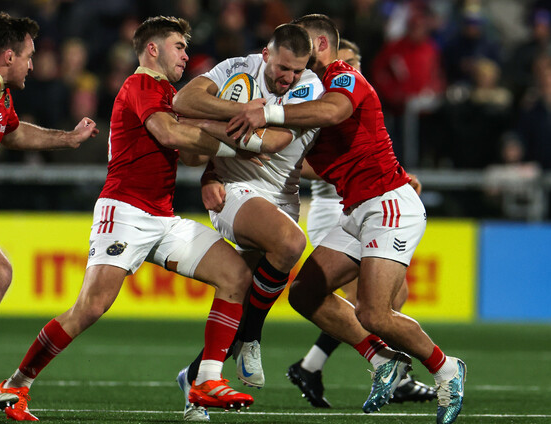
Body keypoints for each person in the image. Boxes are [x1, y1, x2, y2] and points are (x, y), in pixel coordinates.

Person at [0, 16, 256, 422]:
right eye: (179, 46)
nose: (185, 55)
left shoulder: (169, 94)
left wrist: (212, 132)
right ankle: (17, 383)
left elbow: (189, 155)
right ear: (153, 49)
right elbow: (169, 135)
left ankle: (205, 380)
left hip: (162, 215)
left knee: (236, 275)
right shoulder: (141, 85)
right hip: (125, 211)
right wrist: (239, 142)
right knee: (90, 307)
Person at [228, 14, 466, 424]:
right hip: (358, 209)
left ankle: (447, 369)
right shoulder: (305, 92)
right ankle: (382, 359)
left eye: (304, 44)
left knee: (375, 313)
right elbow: (299, 158)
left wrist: (269, 114)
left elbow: (336, 111)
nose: (296, 53)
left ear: (321, 45)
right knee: (304, 293)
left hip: (388, 205)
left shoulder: (343, 76)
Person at [0, 12, 100, 414]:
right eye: (29, 56)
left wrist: (68, 139)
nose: (32, 64)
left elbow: (13, 133)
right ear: (9, 56)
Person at [171, 22, 322, 421]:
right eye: (283, 68)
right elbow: (185, 99)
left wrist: (205, 124)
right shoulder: (238, 68)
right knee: (291, 243)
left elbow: (273, 142)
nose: (288, 78)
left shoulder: (310, 87)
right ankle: (253, 336)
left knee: (242, 293)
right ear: (266, 54)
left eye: (297, 70)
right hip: (234, 190)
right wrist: (241, 113)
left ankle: (196, 380)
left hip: (281, 197)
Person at [287, 38, 436, 409]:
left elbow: (368, 153)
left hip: (369, 202)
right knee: (365, 305)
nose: (351, 68)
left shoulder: (352, 93)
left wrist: (399, 177)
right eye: (346, 61)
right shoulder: (318, 96)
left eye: (356, 62)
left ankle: (316, 365)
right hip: (334, 207)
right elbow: (299, 159)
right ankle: (395, 372)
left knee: (390, 299)